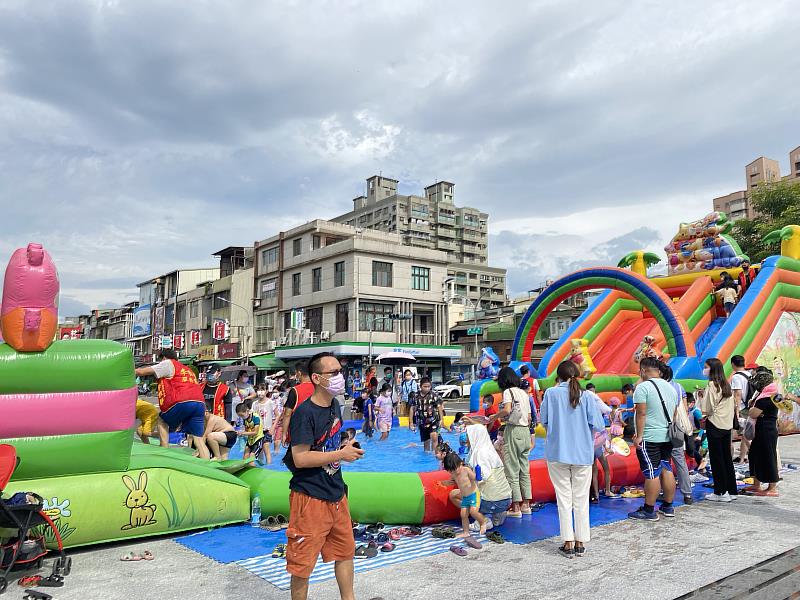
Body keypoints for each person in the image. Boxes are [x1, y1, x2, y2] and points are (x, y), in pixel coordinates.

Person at [283, 352, 363, 600]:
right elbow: (301, 458)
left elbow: (330, 443)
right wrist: (340, 453)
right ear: (317, 378)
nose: (341, 377)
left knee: (345, 552)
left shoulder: (335, 406)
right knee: (302, 565)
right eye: (334, 373)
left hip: (336, 494)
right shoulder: (303, 414)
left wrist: (346, 447)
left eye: (341, 371)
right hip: (310, 498)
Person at [540, 361, 605, 557]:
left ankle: (567, 541)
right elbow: (599, 424)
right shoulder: (586, 396)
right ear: (576, 375)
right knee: (581, 498)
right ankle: (580, 542)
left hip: (557, 452)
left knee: (563, 498)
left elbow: (544, 421)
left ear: (558, 376)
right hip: (582, 454)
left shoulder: (550, 394)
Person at [627, 357, 678, 521]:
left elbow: (641, 413)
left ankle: (649, 510)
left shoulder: (643, 388)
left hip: (649, 436)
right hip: (668, 435)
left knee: (651, 473)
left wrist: (639, 436)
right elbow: (674, 412)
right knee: (666, 468)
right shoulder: (671, 387)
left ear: (642, 370)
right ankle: (668, 506)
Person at [134, 349, 210, 459]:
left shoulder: (168, 363)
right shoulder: (188, 369)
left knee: (162, 420)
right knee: (198, 439)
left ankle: (164, 453)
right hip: (199, 403)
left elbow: (141, 372)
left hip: (182, 401)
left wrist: (125, 370)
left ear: (164, 358)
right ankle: (208, 467)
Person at [486, 367, 532, 517]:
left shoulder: (508, 392)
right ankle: (526, 504)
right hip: (526, 431)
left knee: (511, 469)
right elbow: (530, 417)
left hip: (514, 430)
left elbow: (507, 410)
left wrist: (493, 417)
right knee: (524, 469)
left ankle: (516, 507)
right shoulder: (524, 393)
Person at [698, 358, 738, 502]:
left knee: (716, 459)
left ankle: (720, 491)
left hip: (714, 424)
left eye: (706, 367)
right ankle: (731, 490)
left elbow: (707, 408)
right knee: (727, 458)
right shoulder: (725, 384)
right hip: (726, 425)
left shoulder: (711, 385)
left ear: (712, 369)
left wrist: (702, 400)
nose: (704, 369)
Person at [661, 364, 694, 505]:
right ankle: (687, 494)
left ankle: (665, 493)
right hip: (677, 429)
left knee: (663, 463)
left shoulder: (659, 387)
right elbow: (685, 409)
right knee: (680, 462)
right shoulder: (679, 387)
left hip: (662, 429)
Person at [745, 383, 780, 497]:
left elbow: (753, 413)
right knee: (754, 455)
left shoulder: (765, 398)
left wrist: (752, 408)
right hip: (764, 430)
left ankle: (772, 488)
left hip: (766, 430)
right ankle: (756, 484)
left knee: (769, 457)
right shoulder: (775, 396)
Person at [443, 451, 489, 536]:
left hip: (473, 495)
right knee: (463, 515)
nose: (454, 472)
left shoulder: (466, 470)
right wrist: (445, 483)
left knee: (473, 512)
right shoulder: (454, 474)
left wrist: (478, 475)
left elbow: (474, 478)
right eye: (451, 471)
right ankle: (466, 532)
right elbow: (454, 481)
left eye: (455, 469)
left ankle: (483, 523)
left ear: (460, 463)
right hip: (465, 497)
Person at [282, 362, 315, 445]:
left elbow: (287, 414)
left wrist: (284, 433)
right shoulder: (319, 388)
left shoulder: (295, 391)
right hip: (316, 432)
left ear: (299, 373)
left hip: (298, 433)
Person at [410, 377, 445, 452]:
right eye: (425, 386)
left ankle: (434, 453)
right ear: (420, 386)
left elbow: (439, 407)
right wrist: (411, 422)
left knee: (434, 436)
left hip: (433, 420)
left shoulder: (433, 395)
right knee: (426, 441)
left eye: (429, 386)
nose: (427, 388)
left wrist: (442, 419)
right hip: (422, 422)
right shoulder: (416, 396)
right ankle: (427, 455)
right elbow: (412, 408)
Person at [730, 355, 751, 462]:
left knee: (732, 434)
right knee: (746, 435)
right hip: (749, 407)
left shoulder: (736, 377)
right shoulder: (749, 374)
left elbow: (737, 394)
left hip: (742, 408)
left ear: (733, 364)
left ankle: (731, 458)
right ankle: (742, 457)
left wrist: (736, 411)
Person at [252, 387, 274, 465]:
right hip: (258, 430)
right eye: (259, 390)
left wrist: (273, 427)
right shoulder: (255, 404)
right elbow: (253, 416)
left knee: (266, 449)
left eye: (262, 390)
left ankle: (269, 467)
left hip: (267, 429)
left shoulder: (270, 402)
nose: (260, 392)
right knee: (259, 450)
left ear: (266, 391)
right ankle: (261, 466)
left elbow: (277, 415)